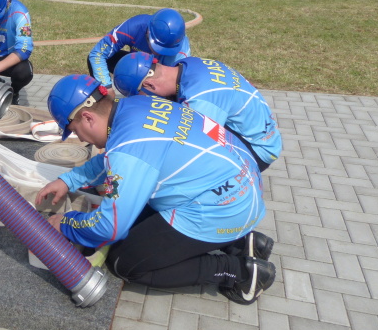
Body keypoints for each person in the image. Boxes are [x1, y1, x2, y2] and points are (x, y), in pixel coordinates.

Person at [36, 75, 275, 305]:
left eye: (75, 130)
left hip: (226, 206)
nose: (80, 138)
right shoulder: (135, 105)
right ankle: (243, 243)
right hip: (242, 186)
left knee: (124, 261)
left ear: (87, 117)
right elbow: (114, 156)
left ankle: (240, 273)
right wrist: (69, 180)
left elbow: (110, 227)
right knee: (135, 221)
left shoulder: (129, 148)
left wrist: (66, 223)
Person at [113, 53, 282, 171]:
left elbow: (194, 149)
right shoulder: (189, 64)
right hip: (263, 134)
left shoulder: (200, 100)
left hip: (257, 150)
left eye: (142, 96)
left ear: (149, 85)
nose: (148, 102)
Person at [87, 8, 191, 94]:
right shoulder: (133, 27)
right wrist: (107, 88)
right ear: (148, 32)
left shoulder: (181, 52)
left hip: (159, 79)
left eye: (165, 50)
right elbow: (98, 54)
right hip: (138, 67)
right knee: (101, 60)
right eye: (155, 47)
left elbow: (180, 85)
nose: (157, 53)